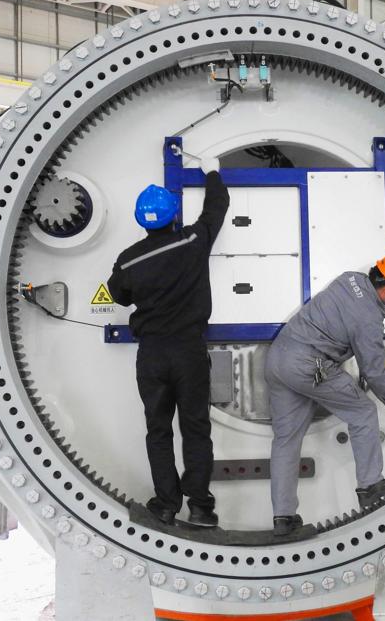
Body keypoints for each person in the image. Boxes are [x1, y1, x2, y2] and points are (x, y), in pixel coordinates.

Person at [265, 252, 385, 536]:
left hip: (278, 360)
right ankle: (369, 486)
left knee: (286, 439)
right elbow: (374, 371)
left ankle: (283, 517)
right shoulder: (367, 320)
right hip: (310, 365)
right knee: (364, 412)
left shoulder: (350, 280)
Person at [107, 156, 229, 528]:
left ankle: (165, 503)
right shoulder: (193, 240)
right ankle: (201, 507)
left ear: (141, 221)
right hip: (189, 351)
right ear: (173, 215)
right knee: (196, 428)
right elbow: (217, 207)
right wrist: (212, 172)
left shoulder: (128, 261)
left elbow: (117, 294)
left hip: (153, 355)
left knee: (157, 429)